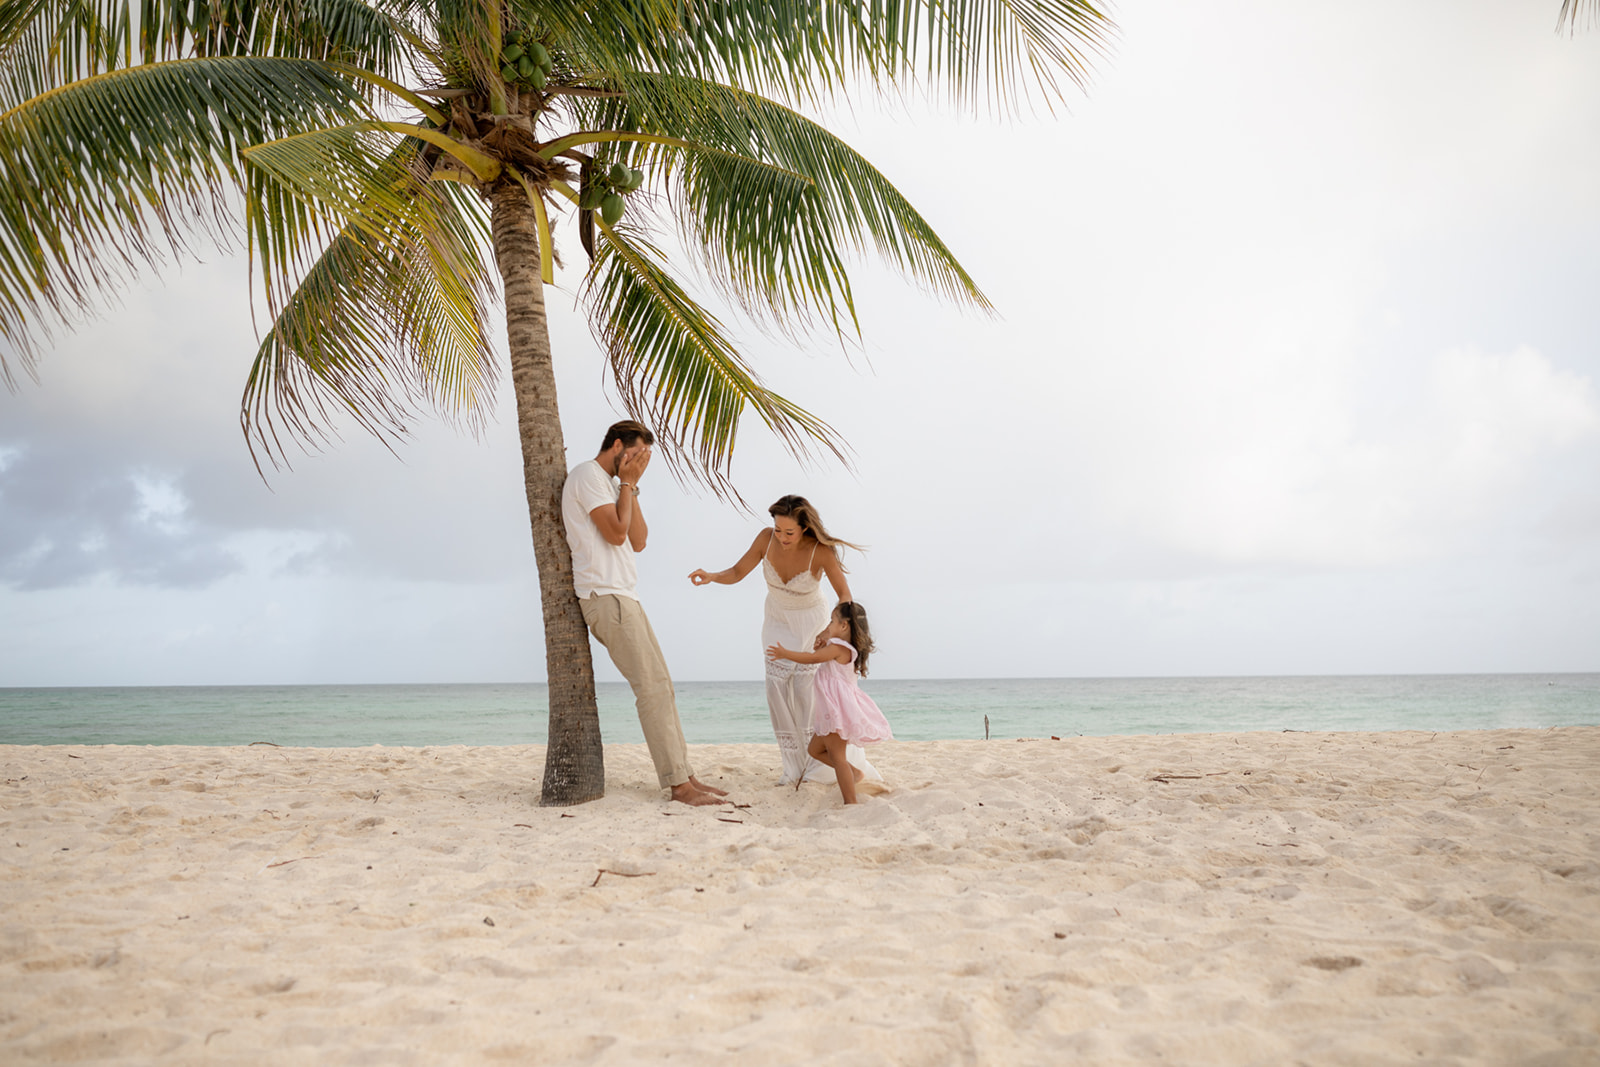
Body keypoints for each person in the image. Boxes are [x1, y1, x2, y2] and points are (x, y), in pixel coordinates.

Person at [562, 420, 727, 807]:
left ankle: (685, 775)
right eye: (635, 455)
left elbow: (639, 540)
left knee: (663, 687)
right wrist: (624, 484)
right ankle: (678, 786)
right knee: (650, 690)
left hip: (625, 595)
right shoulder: (588, 475)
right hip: (604, 596)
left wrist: (630, 485)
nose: (639, 463)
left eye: (644, 459)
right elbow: (616, 534)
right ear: (617, 445)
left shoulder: (618, 484)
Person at [688, 495, 878, 786]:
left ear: (804, 528)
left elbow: (844, 595)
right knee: (776, 688)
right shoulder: (766, 539)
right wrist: (712, 576)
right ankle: (792, 767)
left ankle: (815, 765)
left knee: (806, 691)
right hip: (777, 620)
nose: (782, 537)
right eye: (778, 529)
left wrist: (831, 630)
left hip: (812, 623)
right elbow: (739, 571)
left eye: (789, 532)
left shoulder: (820, 551)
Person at [767, 601, 892, 805]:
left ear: (843, 626)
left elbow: (812, 659)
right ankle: (854, 772)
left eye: (832, 621)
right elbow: (822, 656)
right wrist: (823, 642)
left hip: (836, 712)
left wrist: (785, 654)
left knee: (838, 758)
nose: (829, 625)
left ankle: (850, 801)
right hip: (830, 712)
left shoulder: (839, 648)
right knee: (814, 751)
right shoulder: (842, 648)